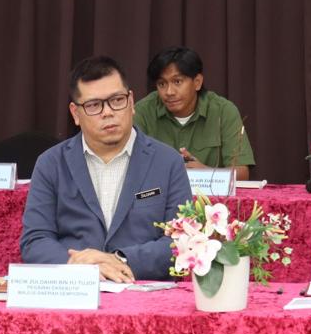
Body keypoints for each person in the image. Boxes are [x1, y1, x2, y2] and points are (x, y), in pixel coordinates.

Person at [21, 56, 192, 282]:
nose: (108, 112)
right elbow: (35, 240)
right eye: (94, 105)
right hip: (74, 289)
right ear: (75, 114)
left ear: (131, 102)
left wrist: (119, 260)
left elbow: (181, 241)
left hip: (141, 289)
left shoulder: (167, 161)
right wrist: (80, 266)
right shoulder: (51, 163)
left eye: (117, 100)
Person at [134, 47, 254, 180]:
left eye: (177, 82)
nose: (169, 92)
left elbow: (242, 173)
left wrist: (205, 173)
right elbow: (131, 169)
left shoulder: (223, 111)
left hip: (210, 193)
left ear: (197, 82)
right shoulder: (143, 111)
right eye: (162, 84)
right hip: (160, 192)